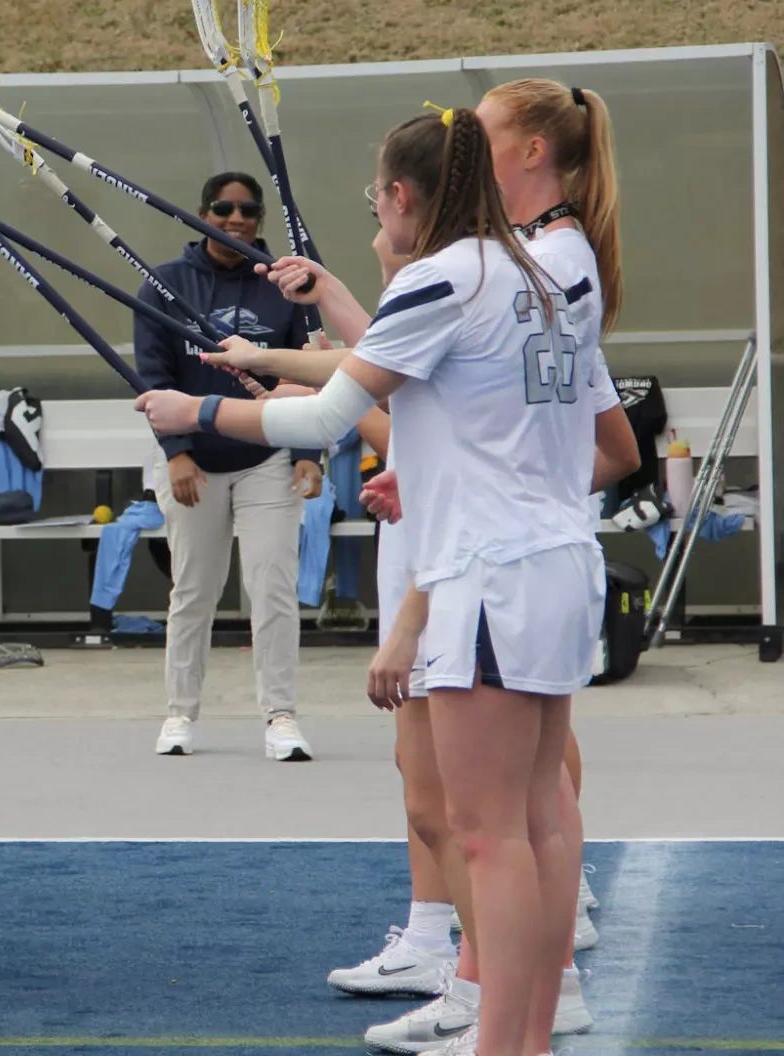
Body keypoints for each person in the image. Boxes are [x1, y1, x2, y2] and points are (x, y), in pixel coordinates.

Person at [139, 106, 604, 1056]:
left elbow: (321, 422)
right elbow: (426, 387)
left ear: (400, 196)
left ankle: (505, 1042)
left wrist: (197, 409)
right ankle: (533, 1030)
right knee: (541, 822)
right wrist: (272, 356)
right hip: (559, 564)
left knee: (487, 836)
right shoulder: (559, 265)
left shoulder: (444, 277)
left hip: (487, 575)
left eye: (375, 194)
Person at [134, 171, 320, 762]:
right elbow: (152, 377)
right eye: (222, 209)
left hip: (268, 456)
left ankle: (280, 715)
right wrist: (177, 453)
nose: (235, 220)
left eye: (248, 212)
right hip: (196, 464)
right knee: (194, 590)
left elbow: (309, 372)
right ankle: (180, 715)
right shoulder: (164, 284)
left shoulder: (284, 284)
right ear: (201, 214)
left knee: (272, 587)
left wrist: (309, 454)